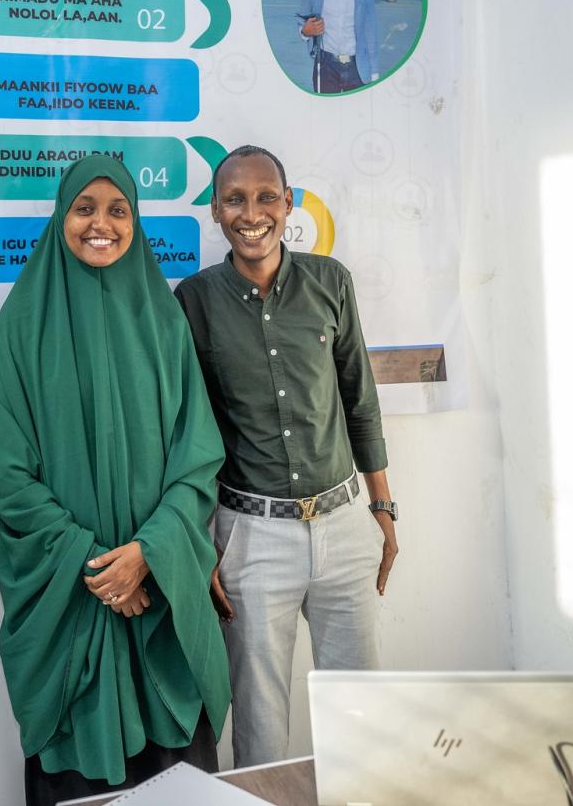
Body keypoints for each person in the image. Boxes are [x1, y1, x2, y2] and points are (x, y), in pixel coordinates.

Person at [0, 155, 231, 806]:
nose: (101, 222)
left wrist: (151, 553)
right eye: (84, 208)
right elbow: (9, 477)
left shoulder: (163, 318)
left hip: (161, 606)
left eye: (117, 209)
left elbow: (197, 454)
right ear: (61, 216)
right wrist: (101, 568)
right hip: (71, 611)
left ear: (136, 219)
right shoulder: (21, 325)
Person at [173, 145, 401, 768]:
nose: (253, 212)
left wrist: (382, 508)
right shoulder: (192, 301)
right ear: (216, 211)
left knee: (361, 715)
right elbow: (188, 437)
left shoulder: (331, 282)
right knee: (261, 726)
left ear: (289, 203)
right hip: (251, 537)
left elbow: (360, 401)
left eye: (267, 196)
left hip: (344, 523)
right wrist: (202, 544)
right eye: (236, 199)